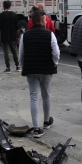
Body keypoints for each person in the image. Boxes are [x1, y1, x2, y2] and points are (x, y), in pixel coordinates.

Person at [19, 10, 60, 138]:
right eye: (45, 20)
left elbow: (21, 55)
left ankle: (36, 128)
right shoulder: (50, 35)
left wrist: (23, 67)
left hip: (31, 70)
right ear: (41, 21)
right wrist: (54, 63)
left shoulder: (25, 36)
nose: (47, 22)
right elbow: (56, 53)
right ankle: (46, 121)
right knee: (46, 95)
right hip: (46, 69)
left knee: (34, 97)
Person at [0, 0, 21, 73]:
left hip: (4, 36)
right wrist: (18, 37)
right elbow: (17, 28)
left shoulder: (1, 15)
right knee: (15, 51)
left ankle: (8, 67)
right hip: (13, 36)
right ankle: (18, 66)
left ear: (4, 6)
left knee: (6, 52)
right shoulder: (14, 15)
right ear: (10, 6)